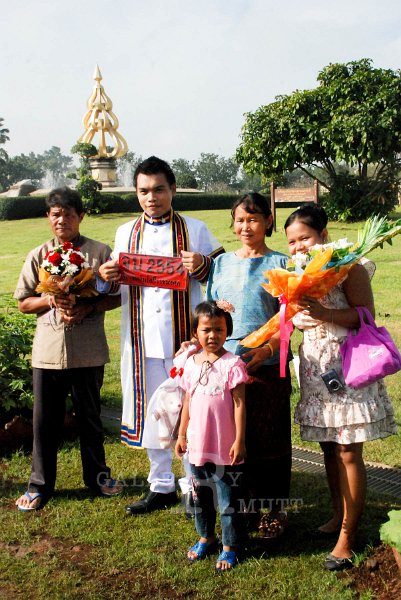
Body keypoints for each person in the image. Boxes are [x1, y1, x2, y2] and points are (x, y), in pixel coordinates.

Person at [97, 156, 224, 515]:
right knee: (153, 409)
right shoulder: (125, 233)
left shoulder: (195, 229)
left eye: (158, 189)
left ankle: (193, 486)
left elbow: (220, 275)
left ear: (172, 190)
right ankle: (161, 483)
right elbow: (113, 284)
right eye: (143, 191)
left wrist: (203, 265)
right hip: (141, 340)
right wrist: (106, 275)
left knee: (190, 410)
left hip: (185, 338)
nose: (151, 197)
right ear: (136, 193)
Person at [284, 204, 397, 571]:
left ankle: (348, 537)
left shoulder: (349, 266)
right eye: (292, 242)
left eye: (305, 238)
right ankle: (337, 517)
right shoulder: (296, 274)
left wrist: (323, 313)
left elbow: (364, 314)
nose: (299, 247)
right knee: (329, 450)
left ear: (324, 236)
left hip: (349, 367)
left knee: (349, 451)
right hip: (317, 370)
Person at [14, 187, 122, 512]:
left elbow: (117, 296)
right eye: (56, 214)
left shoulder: (100, 253)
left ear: (80, 216)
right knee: (45, 421)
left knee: (90, 417)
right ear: (49, 217)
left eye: (69, 214)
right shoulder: (38, 255)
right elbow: (23, 303)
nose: (62, 220)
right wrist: (51, 299)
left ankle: (98, 477)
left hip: (88, 350)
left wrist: (89, 308)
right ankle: (39, 485)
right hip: (48, 352)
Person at [205, 192, 292, 538]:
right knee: (234, 440)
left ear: (268, 221)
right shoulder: (221, 263)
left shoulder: (283, 263)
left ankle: (275, 510)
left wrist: (269, 349)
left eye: (253, 219)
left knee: (269, 438)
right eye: (240, 219)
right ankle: (241, 507)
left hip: (268, 364)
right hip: (226, 364)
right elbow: (210, 314)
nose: (245, 226)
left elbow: (290, 318)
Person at [175, 300, 248, 571]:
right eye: (206, 330)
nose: (212, 336)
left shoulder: (233, 365)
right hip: (197, 446)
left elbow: (240, 405)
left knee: (228, 500)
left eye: (218, 330)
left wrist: (239, 440)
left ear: (227, 332)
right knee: (200, 496)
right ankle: (206, 537)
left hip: (225, 448)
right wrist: (181, 435)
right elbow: (187, 403)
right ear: (196, 332)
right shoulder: (190, 364)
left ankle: (230, 547)